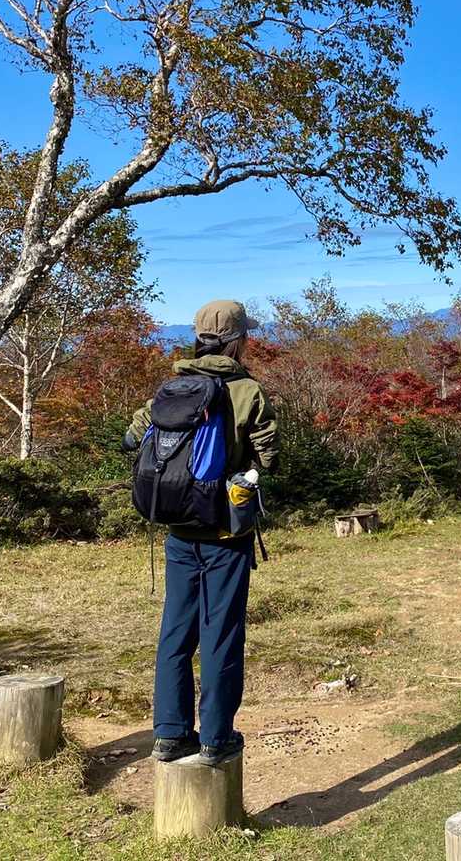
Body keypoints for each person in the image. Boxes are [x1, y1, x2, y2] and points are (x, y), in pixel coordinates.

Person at [127, 299, 277, 766]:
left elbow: (132, 439)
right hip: (225, 535)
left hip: (178, 530)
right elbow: (269, 457)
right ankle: (216, 737)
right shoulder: (247, 390)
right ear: (239, 340)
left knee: (175, 630)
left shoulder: (171, 388)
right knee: (221, 633)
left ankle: (170, 734)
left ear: (197, 337)